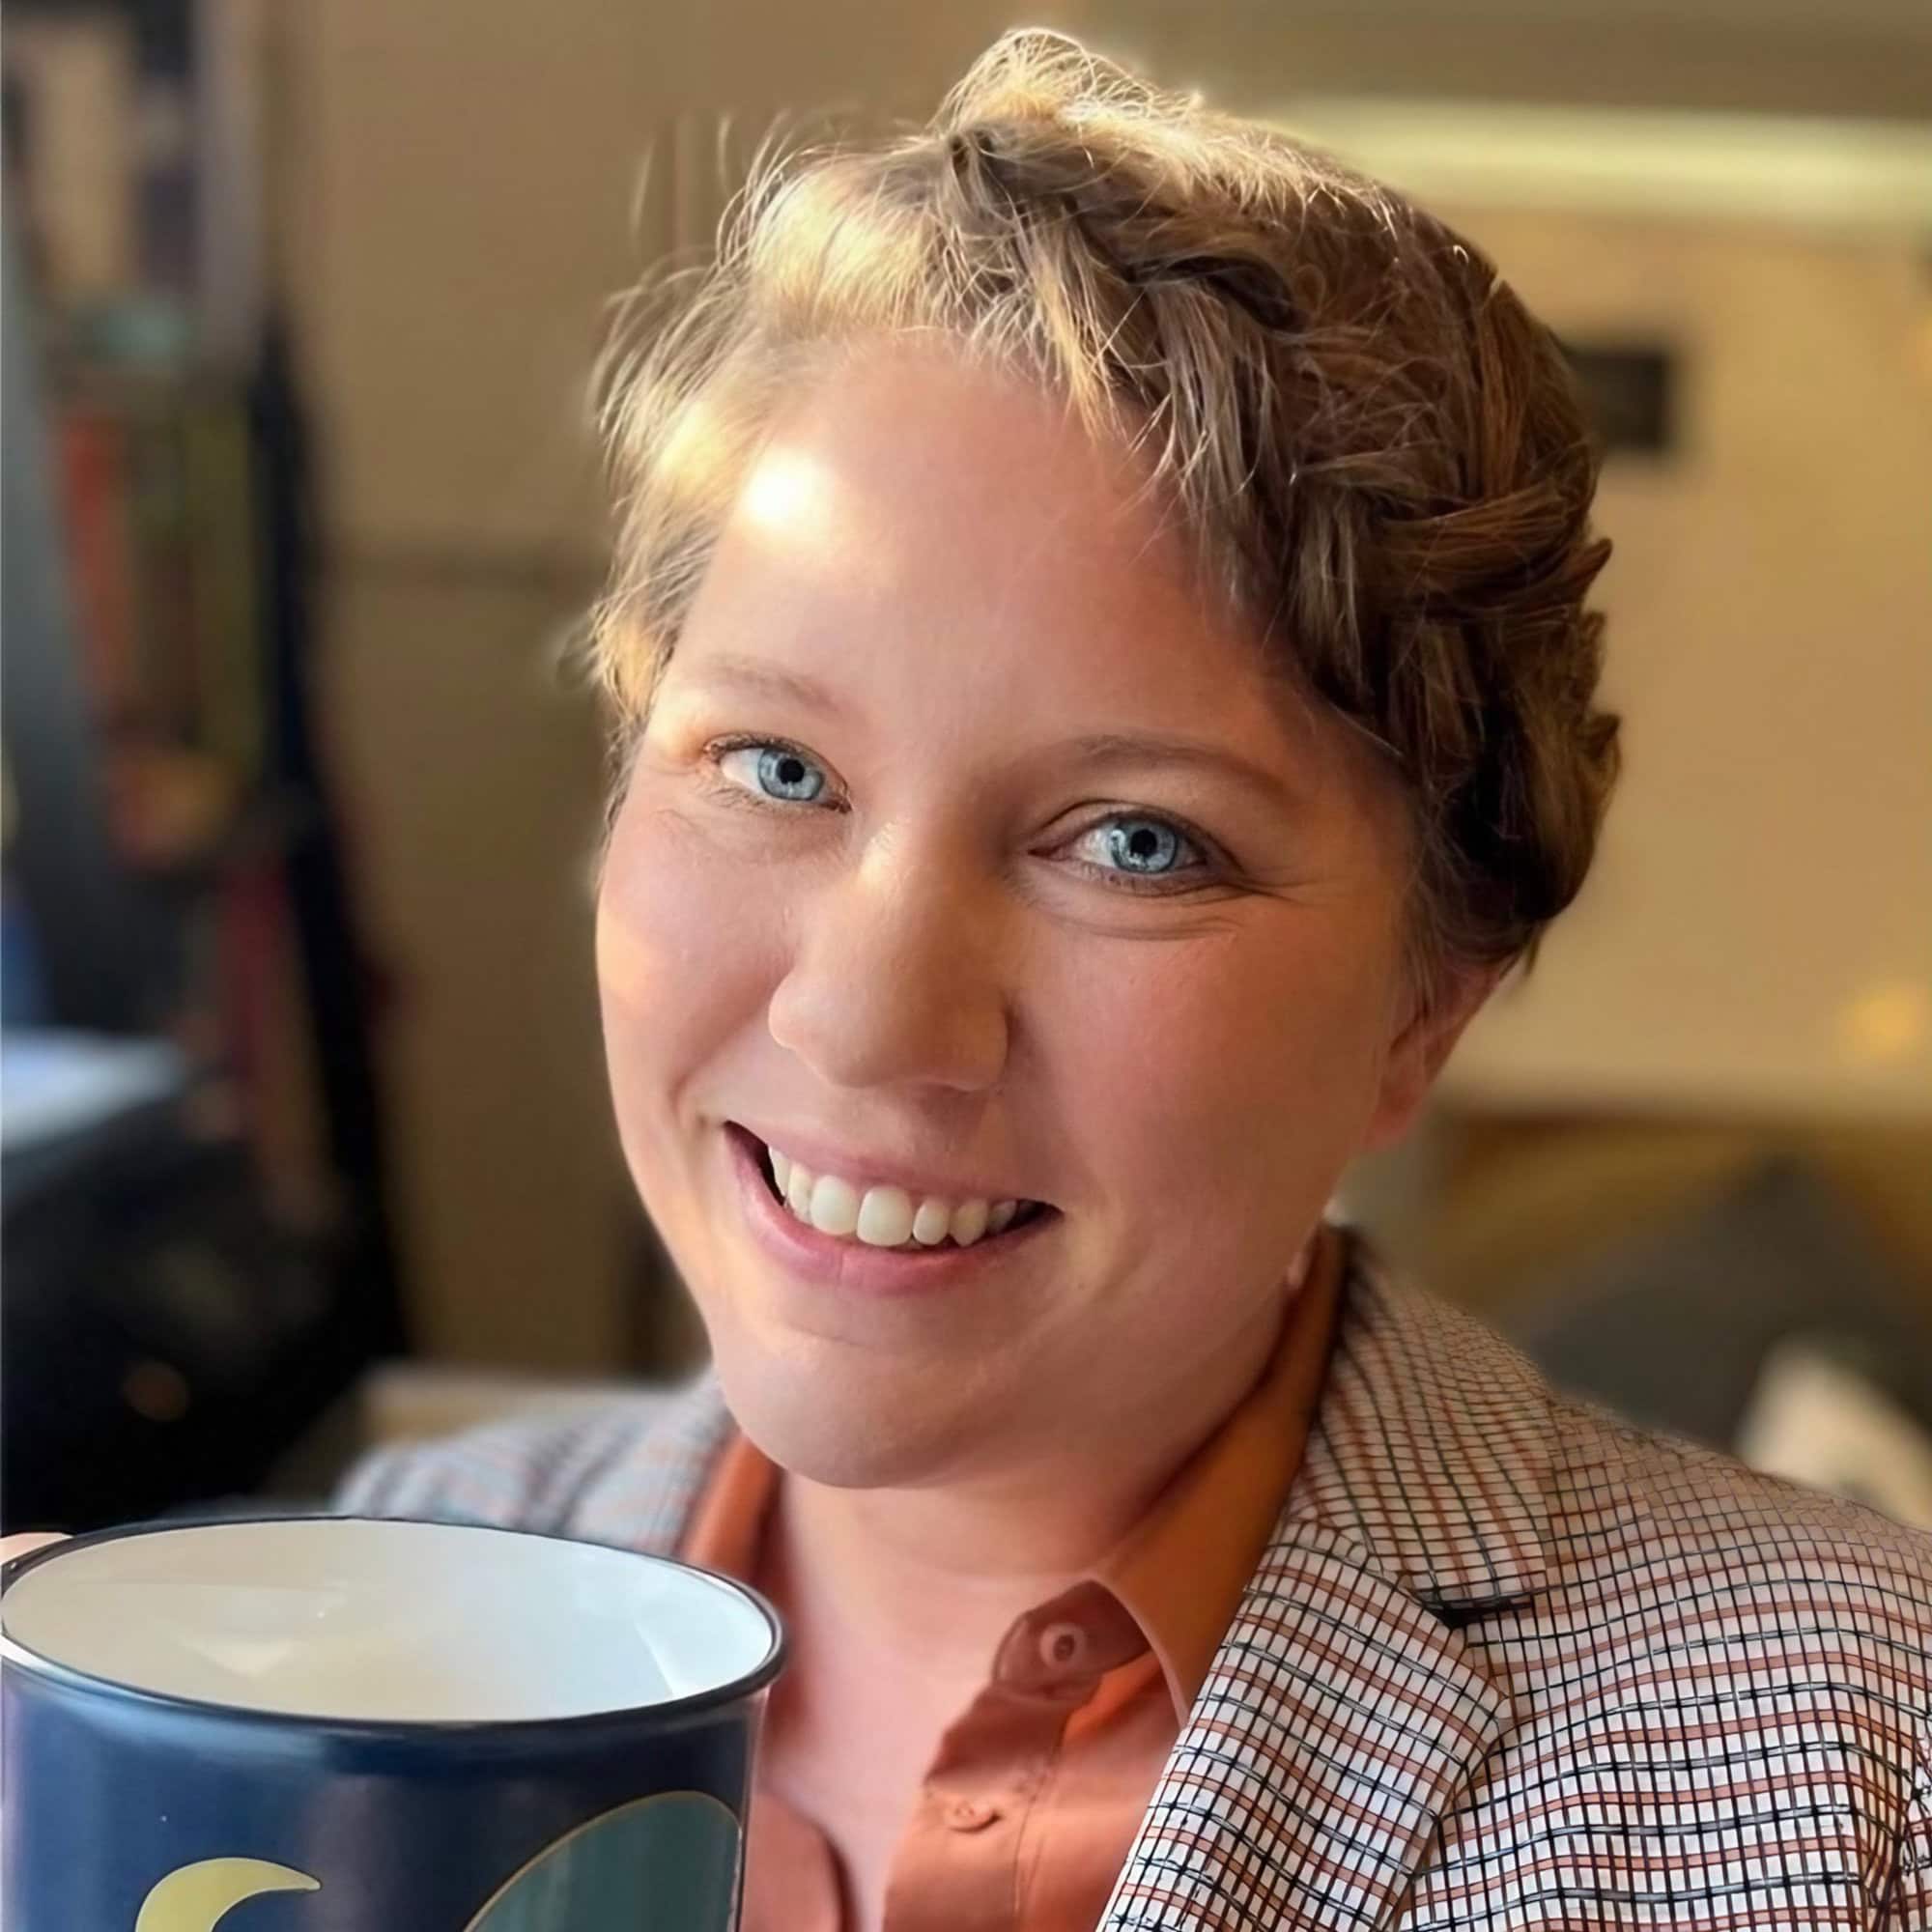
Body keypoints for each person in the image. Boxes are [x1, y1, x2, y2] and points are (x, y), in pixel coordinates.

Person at [12, 30, 1928, 1932]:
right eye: (776, 767)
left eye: (1134, 841)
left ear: (1425, 1005)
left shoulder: (1855, 1778)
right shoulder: (370, 1600)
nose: (864, 1017)